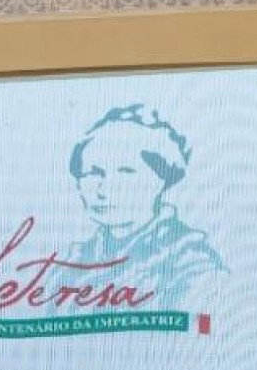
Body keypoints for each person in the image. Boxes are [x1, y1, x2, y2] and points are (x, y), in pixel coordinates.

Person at [64, 105, 226, 306]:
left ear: (161, 180)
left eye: (125, 172)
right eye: (92, 172)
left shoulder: (190, 261)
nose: (103, 189)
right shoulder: (70, 262)